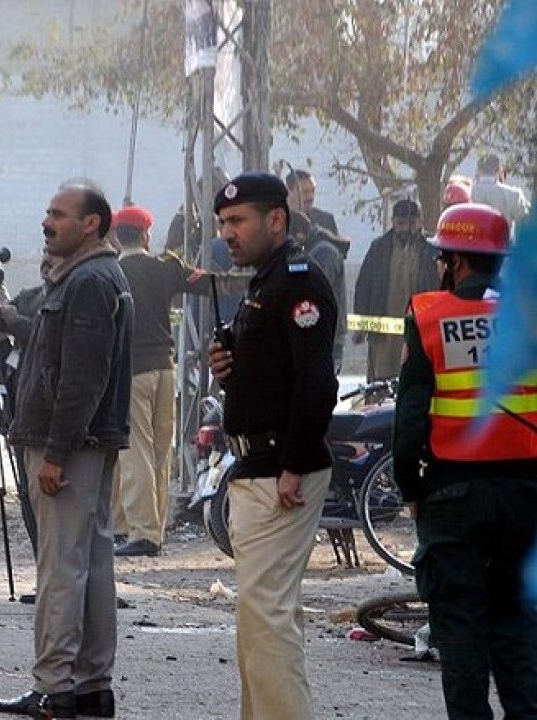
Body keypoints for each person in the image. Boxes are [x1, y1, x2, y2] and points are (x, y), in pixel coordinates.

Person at [0, 184, 131, 719]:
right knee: (87, 561)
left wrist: (56, 453)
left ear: (91, 224)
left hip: (68, 445)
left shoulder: (90, 281)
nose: (48, 223)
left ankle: (54, 686)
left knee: (61, 567)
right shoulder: (84, 277)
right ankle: (91, 686)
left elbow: (81, 380)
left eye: (59, 215)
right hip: (80, 443)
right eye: (47, 212)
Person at [392, 202, 537, 719]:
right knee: (520, 639)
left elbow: (409, 424)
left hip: (451, 501)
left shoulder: (430, 316)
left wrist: (410, 491)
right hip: (525, 500)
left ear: (454, 260)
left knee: (461, 640)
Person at [206, 173, 338, 719]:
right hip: (257, 465)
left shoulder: (298, 280)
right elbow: (272, 376)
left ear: (276, 220)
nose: (227, 234)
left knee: (268, 620)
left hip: (280, 470)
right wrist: (230, 364)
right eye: (222, 224)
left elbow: (316, 380)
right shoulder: (265, 282)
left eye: (237, 222)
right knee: (260, 625)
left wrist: (294, 463)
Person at [109, 204, 236, 558]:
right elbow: (208, 282)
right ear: (147, 235)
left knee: (135, 452)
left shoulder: (112, 273)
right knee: (162, 451)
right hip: (165, 369)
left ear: (118, 237)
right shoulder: (165, 267)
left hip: (131, 373)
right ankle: (154, 527)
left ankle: (141, 533)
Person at [353, 199, 439, 382]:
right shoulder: (379, 248)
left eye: (411, 223)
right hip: (383, 335)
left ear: (419, 223)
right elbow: (364, 286)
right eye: (401, 223)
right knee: (380, 386)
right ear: (393, 221)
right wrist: (361, 325)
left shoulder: (430, 252)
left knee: (411, 380)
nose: (406, 229)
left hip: (416, 333)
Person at [289, 210, 348, 372]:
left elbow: (315, 295)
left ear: (300, 235)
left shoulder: (323, 254)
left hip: (325, 338)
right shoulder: (314, 251)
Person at [471, 153, 530, 229]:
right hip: (503, 239)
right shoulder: (514, 195)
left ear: (478, 170)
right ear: (499, 170)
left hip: (472, 239)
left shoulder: (467, 191)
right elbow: (525, 220)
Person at [285, 169, 339, 236]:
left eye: (313, 191)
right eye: (305, 192)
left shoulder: (326, 220)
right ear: (288, 192)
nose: (310, 197)